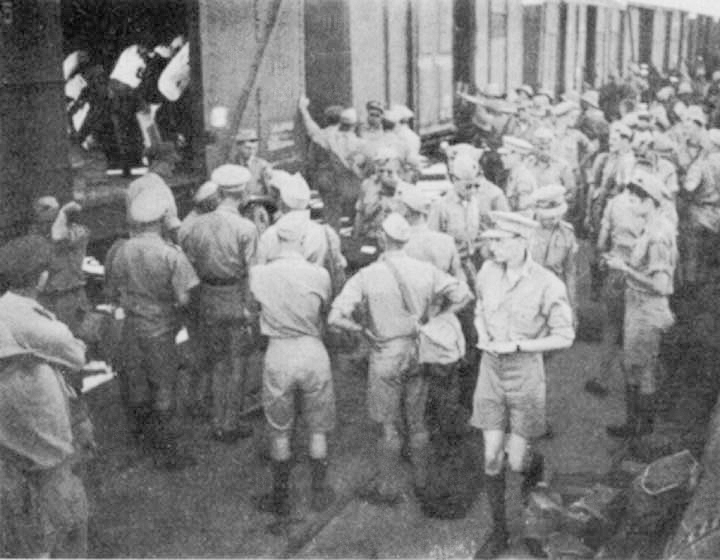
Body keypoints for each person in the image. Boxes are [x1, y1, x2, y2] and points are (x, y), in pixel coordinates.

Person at [329, 213, 472, 505]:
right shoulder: (425, 271)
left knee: (389, 426)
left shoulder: (367, 275)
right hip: (418, 350)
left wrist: (362, 331)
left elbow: (335, 318)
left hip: (385, 353)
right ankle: (422, 483)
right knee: (417, 423)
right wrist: (439, 317)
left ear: (383, 239)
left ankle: (387, 488)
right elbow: (465, 295)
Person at [471, 211, 574, 559]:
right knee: (491, 458)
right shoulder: (487, 272)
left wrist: (518, 346)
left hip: (525, 372)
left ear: (521, 241)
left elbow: (565, 335)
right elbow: (479, 307)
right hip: (490, 370)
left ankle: (534, 474)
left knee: (516, 462)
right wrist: (482, 331)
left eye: (500, 241)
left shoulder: (548, 284)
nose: (492, 247)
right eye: (491, 240)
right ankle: (500, 532)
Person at [0, 235, 90, 558]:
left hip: (10, 435)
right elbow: (75, 354)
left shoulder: (4, 306)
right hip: (39, 431)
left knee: (22, 517)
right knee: (67, 516)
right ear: (40, 277)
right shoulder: (28, 318)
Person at [250, 211, 337, 520]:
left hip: (279, 352)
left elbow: (252, 311)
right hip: (313, 351)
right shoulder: (320, 275)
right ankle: (319, 492)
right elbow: (325, 311)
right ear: (302, 240)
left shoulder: (259, 274)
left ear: (277, 239)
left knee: (279, 431)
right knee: (318, 428)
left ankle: (281, 498)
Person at [104, 188, 199, 470]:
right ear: (161, 220)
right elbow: (184, 298)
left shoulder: (121, 250)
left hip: (131, 328)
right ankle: (168, 451)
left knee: (137, 384)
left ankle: (144, 441)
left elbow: (112, 290)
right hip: (160, 330)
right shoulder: (171, 255)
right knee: (164, 387)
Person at [181, 164, 258, 443]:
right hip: (235, 296)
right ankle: (230, 423)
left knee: (217, 362)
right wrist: (251, 308)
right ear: (243, 192)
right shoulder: (246, 227)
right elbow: (253, 272)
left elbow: (188, 264)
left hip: (208, 297)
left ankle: (216, 421)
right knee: (237, 362)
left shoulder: (197, 225)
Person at [604, 170, 677, 446]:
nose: (630, 204)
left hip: (648, 310)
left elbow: (661, 284)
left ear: (649, 202)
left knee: (643, 370)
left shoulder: (657, 235)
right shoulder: (652, 226)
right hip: (638, 306)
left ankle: (642, 432)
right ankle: (634, 427)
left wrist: (625, 269)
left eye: (635, 200)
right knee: (633, 367)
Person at [257, 171, 346, 294]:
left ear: (282, 202)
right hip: (315, 297)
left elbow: (259, 278)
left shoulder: (269, 235)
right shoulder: (326, 233)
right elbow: (338, 273)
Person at [298, 97, 367, 230]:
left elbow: (310, 128)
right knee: (355, 210)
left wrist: (303, 109)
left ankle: (332, 235)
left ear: (326, 119)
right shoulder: (351, 137)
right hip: (348, 181)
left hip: (326, 179)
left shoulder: (322, 134)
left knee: (331, 212)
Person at [26, 197, 91, 336]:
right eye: (42, 209)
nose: (52, 212)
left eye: (51, 208)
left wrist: (63, 213)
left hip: (68, 296)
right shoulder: (36, 232)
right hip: (45, 297)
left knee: (72, 338)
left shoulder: (78, 231)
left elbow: (58, 236)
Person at [679, 128, 720, 289]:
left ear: (712, 145)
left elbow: (689, 188)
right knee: (709, 257)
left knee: (692, 255)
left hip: (698, 214)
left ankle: (690, 291)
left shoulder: (702, 164)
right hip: (717, 215)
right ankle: (707, 290)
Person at [530, 185, 579, 318]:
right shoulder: (525, 230)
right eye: (549, 217)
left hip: (554, 290)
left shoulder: (567, 233)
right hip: (529, 291)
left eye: (558, 216)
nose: (555, 220)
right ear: (537, 211)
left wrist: (571, 306)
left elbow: (570, 271)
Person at [108, 44, 148, 176]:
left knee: (126, 130)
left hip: (123, 90)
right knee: (125, 129)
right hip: (123, 91)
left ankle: (130, 162)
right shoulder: (133, 53)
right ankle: (128, 163)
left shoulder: (131, 54)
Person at [353, 148, 410, 242]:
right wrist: (356, 237)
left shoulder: (404, 188)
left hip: (394, 239)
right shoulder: (367, 184)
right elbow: (360, 212)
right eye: (381, 170)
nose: (384, 174)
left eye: (389, 171)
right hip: (370, 236)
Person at [498, 136, 538, 216]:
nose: (501, 158)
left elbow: (526, 212)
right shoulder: (514, 174)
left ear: (518, 156)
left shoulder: (523, 179)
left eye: (506, 155)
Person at [230, 128, 273, 197]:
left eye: (254, 148)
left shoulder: (262, 165)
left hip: (257, 201)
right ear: (238, 147)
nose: (251, 152)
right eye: (248, 148)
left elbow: (268, 190)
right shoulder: (232, 165)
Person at [178, 180, 220, 248]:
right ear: (207, 203)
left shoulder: (206, 218)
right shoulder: (192, 224)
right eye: (215, 200)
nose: (219, 203)